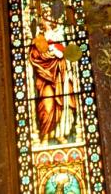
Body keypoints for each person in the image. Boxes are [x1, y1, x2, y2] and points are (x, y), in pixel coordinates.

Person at [29, 14, 77, 143]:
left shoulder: (59, 36)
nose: (49, 21)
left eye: (51, 18)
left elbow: (65, 53)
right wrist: (48, 54)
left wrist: (58, 53)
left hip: (61, 74)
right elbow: (34, 57)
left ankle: (61, 133)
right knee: (47, 104)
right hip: (45, 77)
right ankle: (45, 135)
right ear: (41, 23)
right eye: (46, 19)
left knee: (65, 101)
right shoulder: (38, 39)